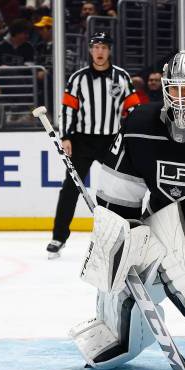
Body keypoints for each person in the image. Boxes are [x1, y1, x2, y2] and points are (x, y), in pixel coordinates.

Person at [70, 50, 185, 370]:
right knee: (121, 257)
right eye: (174, 90)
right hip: (161, 222)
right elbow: (118, 199)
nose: (180, 99)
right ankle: (116, 332)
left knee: (182, 263)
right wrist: (122, 240)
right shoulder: (140, 125)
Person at [47, 32, 140, 258]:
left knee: (124, 186)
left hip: (112, 140)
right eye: (96, 47)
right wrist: (66, 136)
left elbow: (133, 109)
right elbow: (68, 109)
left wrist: (131, 136)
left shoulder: (122, 77)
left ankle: (130, 234)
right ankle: (58, 236)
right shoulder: (78, 79)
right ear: (90, 51)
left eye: (104, 47)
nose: (99, 51)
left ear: (109, 50)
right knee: (70, 188)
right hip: (82, 141)